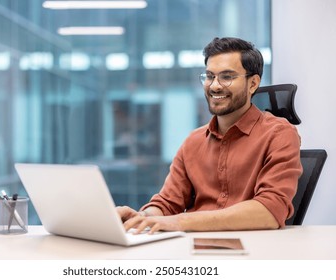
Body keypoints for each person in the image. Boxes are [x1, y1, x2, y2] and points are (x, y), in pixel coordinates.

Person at [117, 37, 302, 233]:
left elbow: (269, 211)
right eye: (209, 76)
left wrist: (179, 222)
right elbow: (167, 204)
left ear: (253, 83)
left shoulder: (280, 135)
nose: (214, 86)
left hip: (253, 252)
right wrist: (142, 218)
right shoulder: (193, 141)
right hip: (193, 250)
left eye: (227, 77)